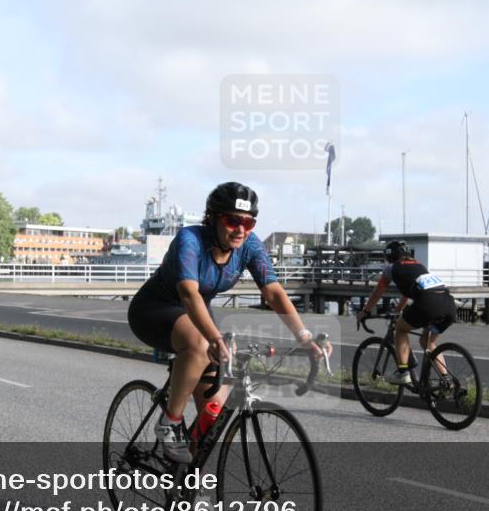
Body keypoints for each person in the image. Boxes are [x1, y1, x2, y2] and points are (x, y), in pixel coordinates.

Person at [127, 182, 329, 463]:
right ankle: (169, 421)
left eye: (249, 222)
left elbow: (272, 292)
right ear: (212, 218)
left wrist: (303, 336)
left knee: (213, 409)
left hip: (197, 314)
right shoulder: (190, 240)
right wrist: (214, 338)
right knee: (199, 344)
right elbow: (189, 294)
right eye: (233, 220)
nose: (241, 229)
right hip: (155, 310)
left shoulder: (250, 245)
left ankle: (187, 480)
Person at [355, 241, 457, 385]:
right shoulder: (419, 266)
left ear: (389, 257)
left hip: (428, 304)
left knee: (400, 329)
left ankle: (403, 372)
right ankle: (446, 381)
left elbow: (378, 292)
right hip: (449, 305)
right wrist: (398, 311)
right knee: (428, 342)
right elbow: (407, 294)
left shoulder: (391, 268)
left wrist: (365, 311)